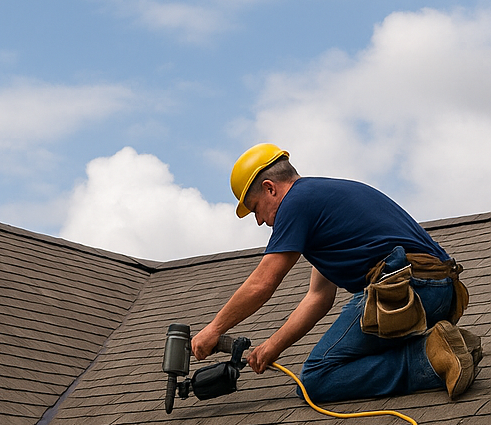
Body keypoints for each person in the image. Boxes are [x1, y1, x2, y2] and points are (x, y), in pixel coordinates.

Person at [192, 144, 482, 402]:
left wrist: (215, 329)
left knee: (318, 378)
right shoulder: (323, 204)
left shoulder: (296, 204)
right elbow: (318, 297)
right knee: (342, 361)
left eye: (256, 209)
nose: (259, 221)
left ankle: (431, 361)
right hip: (440, 291)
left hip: (406, 289)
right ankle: (446, 348)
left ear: (270, 188)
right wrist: (272, 346)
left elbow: (263, 283)